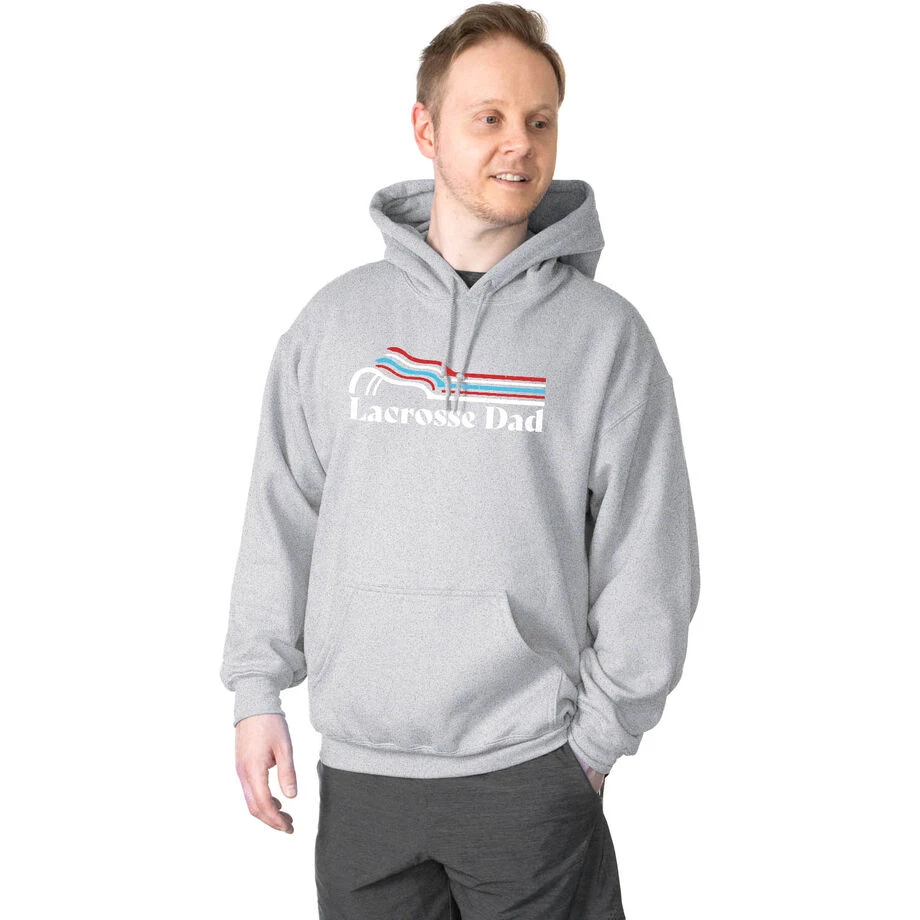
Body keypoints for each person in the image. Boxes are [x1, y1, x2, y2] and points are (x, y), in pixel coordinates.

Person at [220, 3, 700, 917]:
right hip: (361, 778)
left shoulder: (604, 339)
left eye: (540, 121)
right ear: (426, 129)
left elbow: (651, 557)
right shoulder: (335, 323)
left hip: (530, 774)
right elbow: (282, 516)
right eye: (490, 117)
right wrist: (256, 692)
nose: (519, 143)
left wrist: (595, 746)